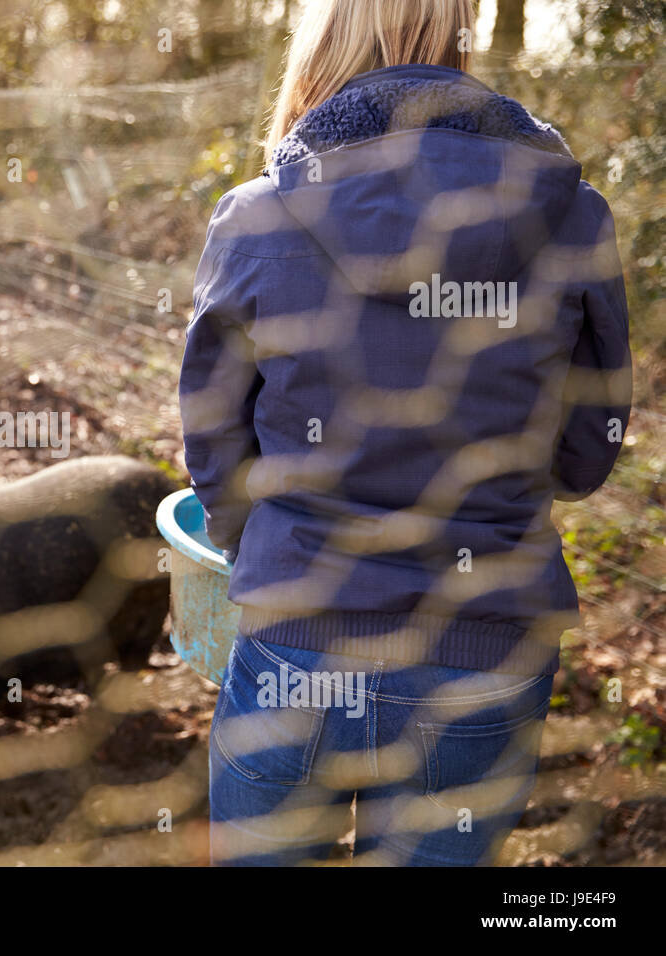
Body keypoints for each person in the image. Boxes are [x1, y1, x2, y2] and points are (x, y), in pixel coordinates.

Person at [180, 0, 631, 865]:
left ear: (324, 42)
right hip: (484, 652)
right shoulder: (574, 218)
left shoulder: (256, 217)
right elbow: (586, 452)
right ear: (461, 35)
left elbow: (214, 444)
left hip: (297, 646)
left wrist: (269, 549)